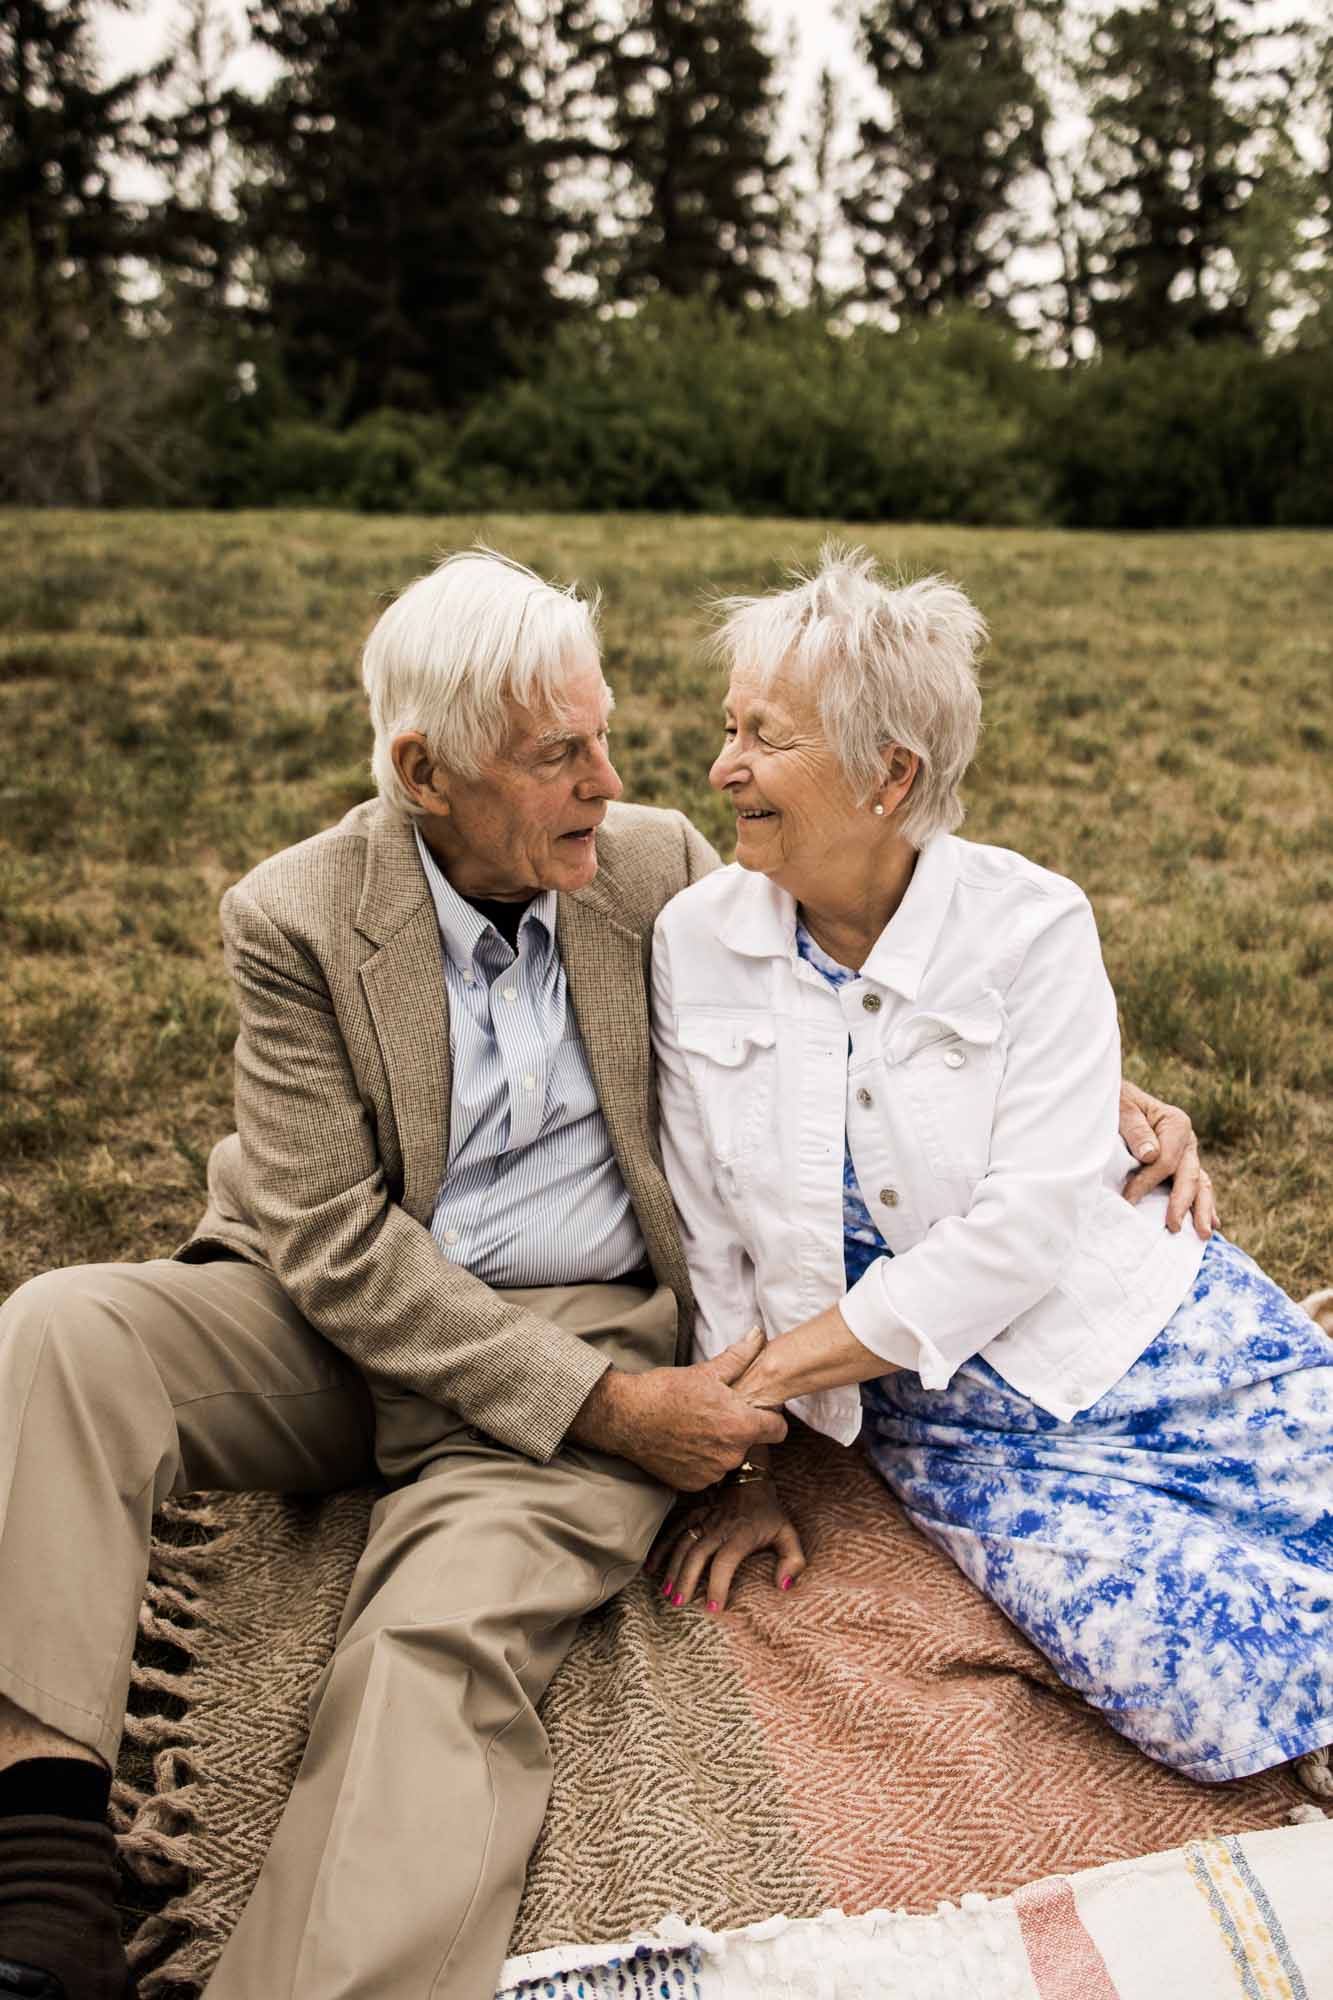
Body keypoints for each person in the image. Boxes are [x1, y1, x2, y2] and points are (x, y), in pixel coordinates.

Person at [0, 547, 1201, 2000]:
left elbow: (873, 979)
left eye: (609, 732)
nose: (611, 778)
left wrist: (1102, 1101)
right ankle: (43, 1863)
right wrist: (602, 1412)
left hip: (599, 1328)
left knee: (429, 1645)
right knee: (59, 1331)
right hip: (336, 1314)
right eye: (560, 752)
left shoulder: (654, 868)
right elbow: (327, 1240)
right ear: (423, 773)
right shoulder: (297, 916)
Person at [651, 545, 1332, 1789]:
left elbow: (1023, 1236)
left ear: (886, 772)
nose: (722, 766)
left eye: (763, 735)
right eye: (727, 726)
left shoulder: (1031, 922)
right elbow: (713, 1235)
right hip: (954, 1425)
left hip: (1127, 1325)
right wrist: (751, 1459)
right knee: (1183, 1669)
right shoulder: (695, 942)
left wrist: (759, 1379)